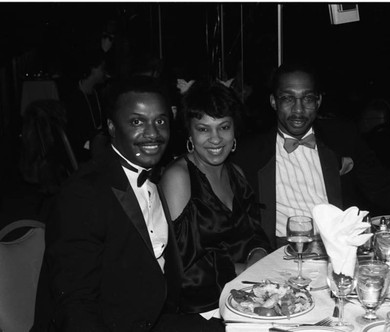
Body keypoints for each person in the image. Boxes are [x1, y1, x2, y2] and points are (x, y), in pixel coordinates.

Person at [31, 77, 216, 332]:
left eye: (160, 121)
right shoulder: (83, 193)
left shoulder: (154, 175)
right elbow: (75, 304)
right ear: (112, 127)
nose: (152, 133)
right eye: (137, 121)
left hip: (150, 317)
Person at [231, 62, 390, 250]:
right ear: (273, 102)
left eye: (307, 99)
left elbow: (382, 186)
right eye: (288, 98)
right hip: (280, 253)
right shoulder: (248, 153)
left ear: (318, 101)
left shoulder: (342, 138)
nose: (298, 109)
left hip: (339, 251)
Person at [159, 80, 270, 315]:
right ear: (189, 132)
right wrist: (246, 269)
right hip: (201, 309)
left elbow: (254, 233)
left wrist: (258, 254)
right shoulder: (178, 177)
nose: (216, 138)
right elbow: (180, 267)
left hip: (247, 297)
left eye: (224, 127)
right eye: (203, 129)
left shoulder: (236, 174)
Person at [63, 48, 110, 164]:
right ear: (92, 69)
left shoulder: (97, 94)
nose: (105, 72)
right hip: (83, 153)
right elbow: (77, 136)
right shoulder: (74, 98)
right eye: (102, 68)